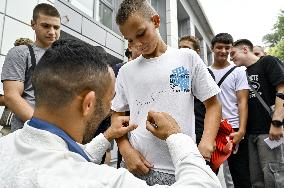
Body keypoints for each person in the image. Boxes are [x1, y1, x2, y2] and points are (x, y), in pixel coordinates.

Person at [0, 38, 221, 188]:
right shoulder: (101, 181)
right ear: (88, 104)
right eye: (109, 100)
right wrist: (177, 137)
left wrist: (107, 136)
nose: (111, 109)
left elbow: (69, 156)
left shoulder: (7, 147)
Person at [112, 0, 221, 185]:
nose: (137, 44)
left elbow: (213, 104)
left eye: (140, 34)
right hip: (136, 166)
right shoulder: (126, 71)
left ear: (155, 21)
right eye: (130, 40)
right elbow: (116, 114)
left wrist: (207, 143)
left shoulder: (187, 58)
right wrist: (125, 150)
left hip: (179, 167)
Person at [231, 39, 284, 188]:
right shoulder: (243, 73)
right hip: (251, 134)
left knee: (274, 176)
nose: (231, 57)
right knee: (257, 180)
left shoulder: (268, 61)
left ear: (245, 50)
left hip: (270, 132)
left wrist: (277, 122)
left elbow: (282, 89)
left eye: (233, 53)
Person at [1, 3, 61, 132]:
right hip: (26, 133)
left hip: (57, 134)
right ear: (33, 24)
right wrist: (43, 128)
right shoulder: (21, 53)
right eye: (46, 26)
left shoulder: (66, 58)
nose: (52, 32)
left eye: (56, 27)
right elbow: (11, 96)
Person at [208, 33, 251, 188]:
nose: (223, 51)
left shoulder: (238, 71)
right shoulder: (204, 72)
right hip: (212, 129)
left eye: (227, 48)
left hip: (233, 129)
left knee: (240, 173)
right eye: (219, 47)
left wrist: (242, 131)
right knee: (208, 173)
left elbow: (242, 102)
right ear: (211, 48)